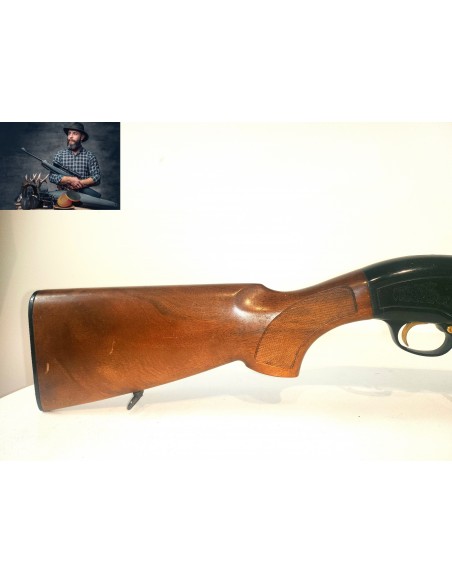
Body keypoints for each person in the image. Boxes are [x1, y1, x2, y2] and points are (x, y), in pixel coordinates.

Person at [49, 123, 101, 191]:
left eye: (75, 133)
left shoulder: (90, 156)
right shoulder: (59, 155)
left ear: (82, 137)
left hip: (82, 196)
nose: (71, 136)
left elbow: (97, 178)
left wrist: (79, 183)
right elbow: (52, 177)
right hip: (63, 195)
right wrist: (69, 179)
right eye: (69, 133)